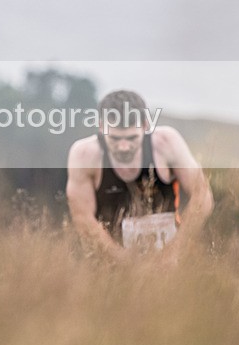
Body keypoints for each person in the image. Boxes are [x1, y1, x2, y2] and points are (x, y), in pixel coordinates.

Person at [66, 90, 214, 262]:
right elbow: (82, 217)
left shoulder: (167, 143)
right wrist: (125, 262)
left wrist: (173, 252)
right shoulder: (84, 155)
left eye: (131, 138)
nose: (123, 147)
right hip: (110, 262)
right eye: (114, 138)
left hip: (170, 261)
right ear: (101, 127)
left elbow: (203, 197)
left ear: (145, 126)